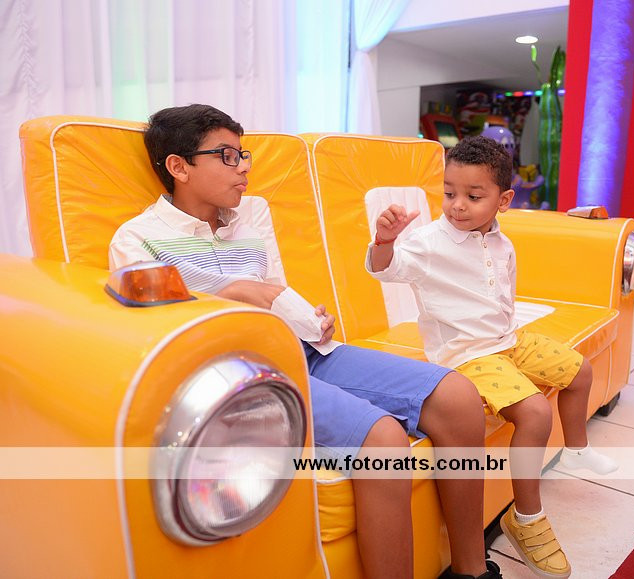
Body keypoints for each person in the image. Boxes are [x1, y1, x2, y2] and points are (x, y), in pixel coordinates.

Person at [108, 104, 500, 579]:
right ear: (179, 166)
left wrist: (312, 318)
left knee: (458, 395)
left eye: (243, 153)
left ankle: (470, 570)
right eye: (226, 155)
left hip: (303, 350)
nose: (244, 166)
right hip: (242, 373)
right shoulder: (138, 240)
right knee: (383, 441)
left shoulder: (250, 216)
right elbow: (160, 335)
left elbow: (275, 290)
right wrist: (233, 293)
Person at [367, 136, 619, 579]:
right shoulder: (429, 242)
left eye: (473, 196)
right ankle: (526, 518)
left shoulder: (503, 244)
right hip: (467, 355)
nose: (457, 205)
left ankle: (576, 451)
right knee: (535, 412)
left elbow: (503, 297)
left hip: (508, 341)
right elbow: (386, 268)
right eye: (449, 193)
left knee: (580, 370)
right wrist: (384, 240)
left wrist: (513, 341)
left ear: (503, 200)